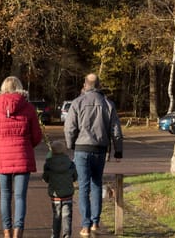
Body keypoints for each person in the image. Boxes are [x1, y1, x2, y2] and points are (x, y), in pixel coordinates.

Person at [64, 73, 123, 237]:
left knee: (83, 186)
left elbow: (69, 128)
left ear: (85, 85)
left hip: (82, 148)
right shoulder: (108, 104)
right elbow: (116, 130)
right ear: (99, 84)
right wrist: (118, 150)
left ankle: (86, 225)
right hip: (100, 149)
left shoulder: (77, 103)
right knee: (97, 183)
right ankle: (96, 221)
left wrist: (71, 145)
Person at [0, 76, 43, 238]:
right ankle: (18, 232)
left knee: (5, 195)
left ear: (2, 89)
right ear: (20, 88)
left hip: (2, 157)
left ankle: (6, 232)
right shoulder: (29, 108)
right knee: (20, 197)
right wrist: (26, 144)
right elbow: (37, 136)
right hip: (23, 156)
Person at [43, 140, 78, 238]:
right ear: (65, 151)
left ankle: (55, 235)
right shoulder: (70, 164)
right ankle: (66, 235)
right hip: (67, 196)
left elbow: (45, 178)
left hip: (55, 197)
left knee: (56, 216)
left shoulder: (48, 164)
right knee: (67, 217)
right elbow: (75, 177)